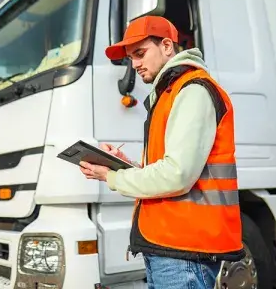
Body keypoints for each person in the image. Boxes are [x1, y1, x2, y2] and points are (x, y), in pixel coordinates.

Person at [79, 16, 246, 289]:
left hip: (185, 250)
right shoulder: (169, 93)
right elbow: (168, 167)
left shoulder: (192, 90)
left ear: (167, 46)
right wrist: (123, 165)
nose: (134, 64)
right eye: (131, 57)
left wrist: (113, 177)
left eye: (140, 53)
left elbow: (177, 175)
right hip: (170, 246)